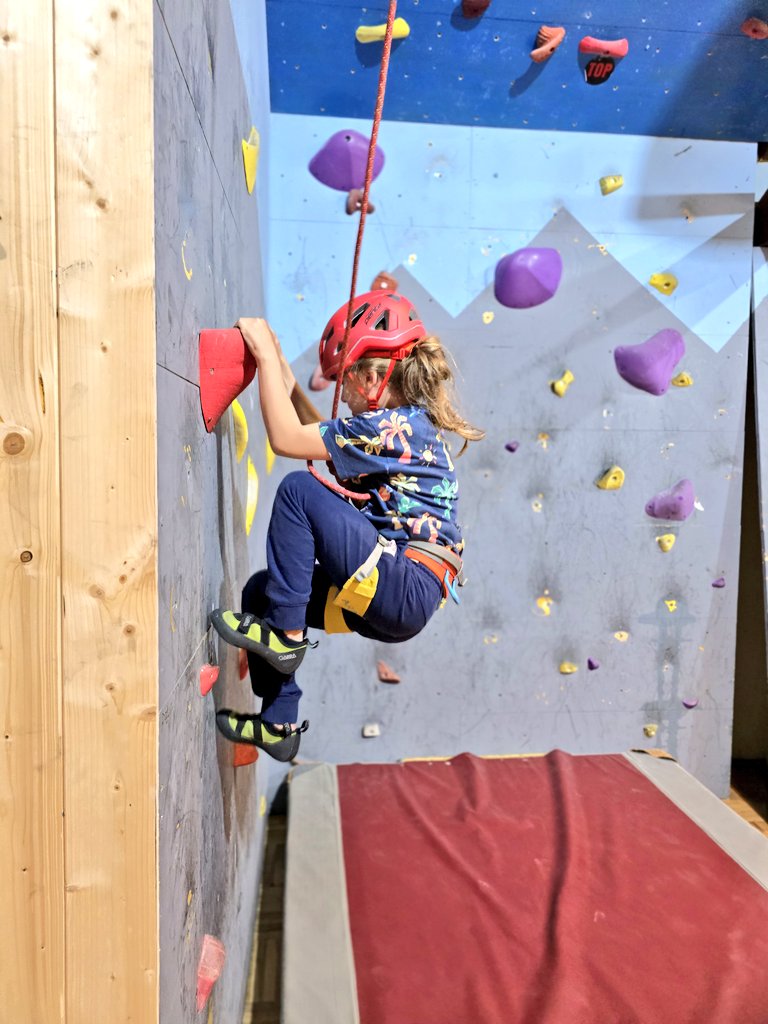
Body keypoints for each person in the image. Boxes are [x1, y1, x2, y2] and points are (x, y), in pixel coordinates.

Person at [210, 290, 484, 761]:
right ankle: (279, 723)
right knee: (263, 593)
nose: (345, 396)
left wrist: (262, 354)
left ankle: (285, 641)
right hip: (393, 598)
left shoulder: (393, 425)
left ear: (372, 378)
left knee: (298, 491)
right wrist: (290, 385)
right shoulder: (402, 428)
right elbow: (327, 438)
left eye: (344, 381)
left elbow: (287, 441)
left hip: (400, 584)